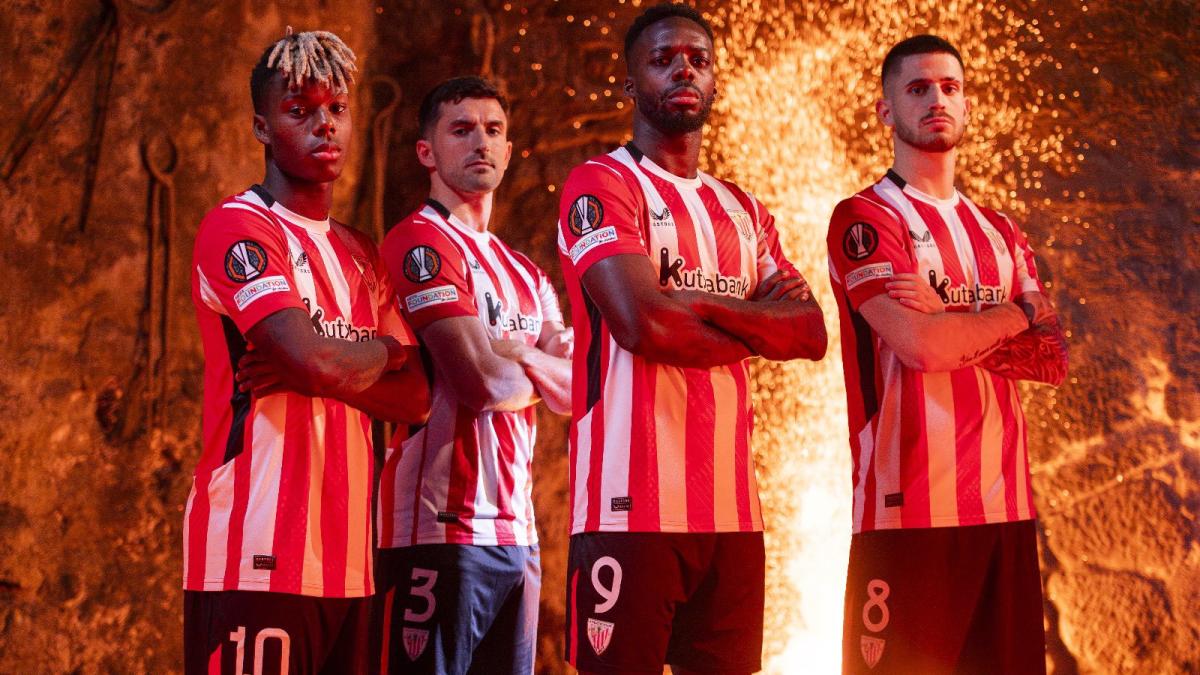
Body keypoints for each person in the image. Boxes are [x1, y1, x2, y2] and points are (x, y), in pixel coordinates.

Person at [556, 4, 828, 674]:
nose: (684, 67)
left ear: (715, 81)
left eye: (699, 59)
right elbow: (645, 325)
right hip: (628, 509)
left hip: (735, 516)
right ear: (630, 85)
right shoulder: (600, 184)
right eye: (664, 58)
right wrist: (756, 322)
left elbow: (812, 331)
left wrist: (698, 303)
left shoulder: (745, 209)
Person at [183, 28, 430, 675]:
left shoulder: (359, 255)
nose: (325, 125)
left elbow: (417, 396)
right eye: (301, 111)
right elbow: (313, 357)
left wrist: (338, 360)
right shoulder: (238, 226)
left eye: (337, 109)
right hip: (255, 553)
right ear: (263, 127)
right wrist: (374, 354)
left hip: (350, 564)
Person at [826, 34, 1069, 674]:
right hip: (907, 517)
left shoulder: (1001, 230)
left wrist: (958, 317)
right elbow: (921, 348)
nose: (938, 99)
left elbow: (1052, 357)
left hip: (1007, 513)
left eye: (950, 87)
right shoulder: (864, 219)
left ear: (966, 105)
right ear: (886, 111)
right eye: (918, 88)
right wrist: (1011, 315)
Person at [372, 76, 572, 675]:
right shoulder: (418, 244)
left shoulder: (526, 273)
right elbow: (480, 382)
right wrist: (530, 363)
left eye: (493, 131)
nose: (480, 142)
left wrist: (523, 357)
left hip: (519, 534)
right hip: (437, 533)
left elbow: (579, 387)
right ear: (426, 152)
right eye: (461, 130)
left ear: (509, 152)